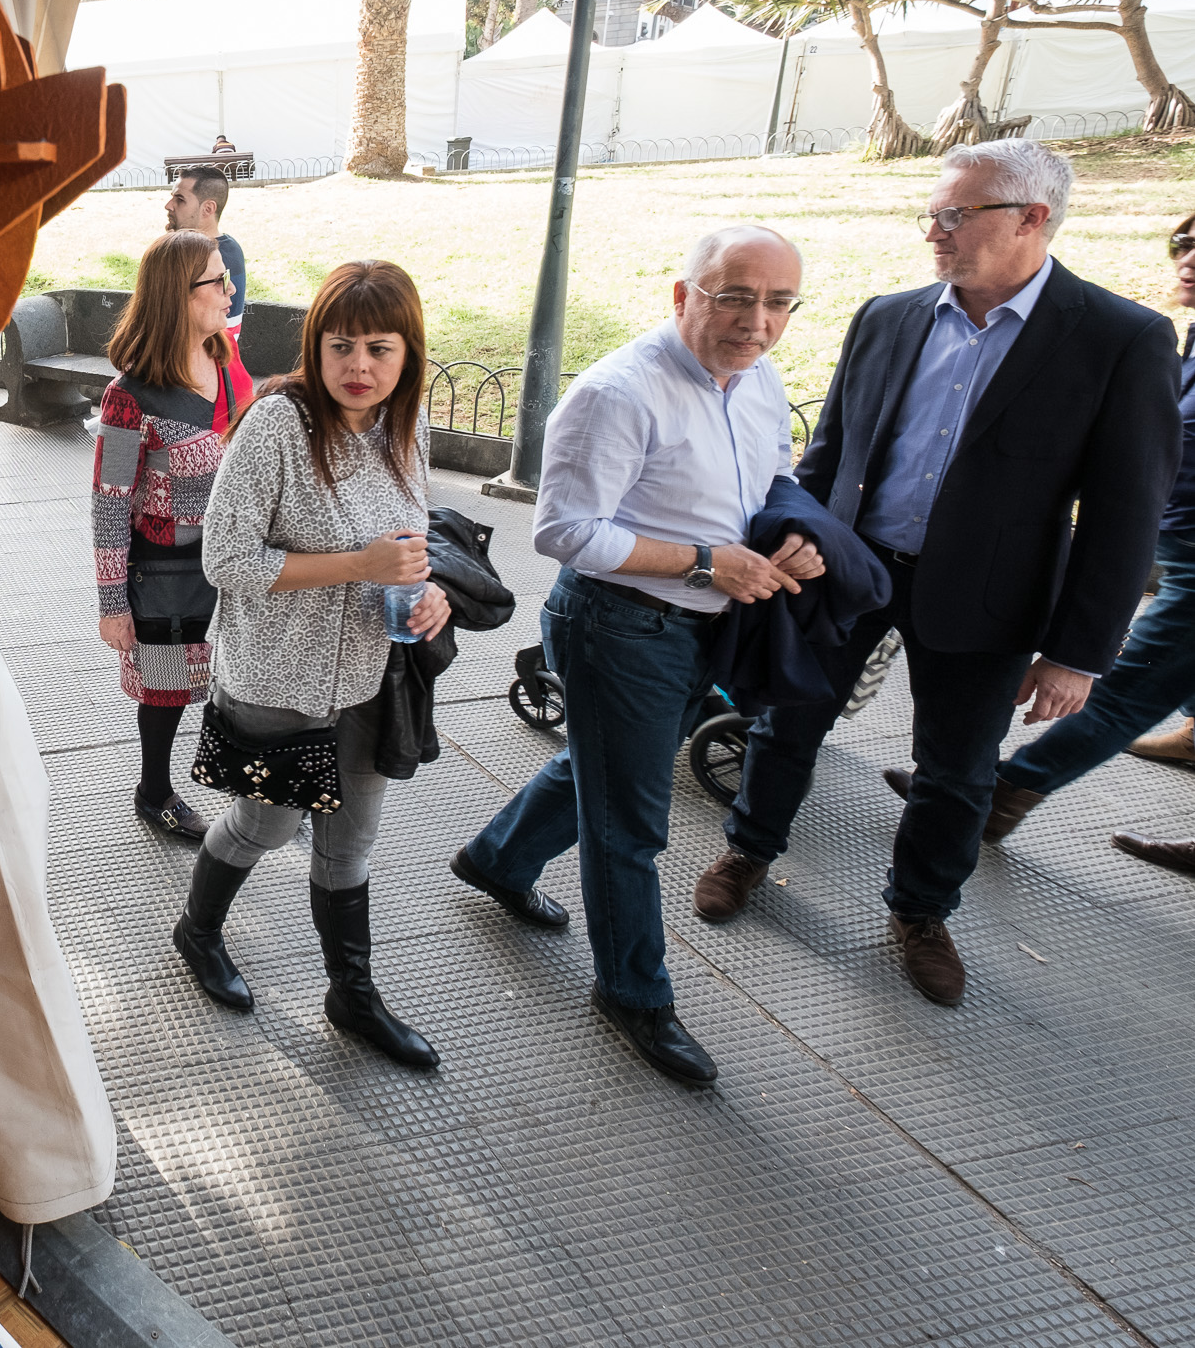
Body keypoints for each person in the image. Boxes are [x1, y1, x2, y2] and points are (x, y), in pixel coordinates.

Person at [700, 141, 1180, 1003]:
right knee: (785, 723)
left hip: (989, 598)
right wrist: (789, 540)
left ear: (1032, 218)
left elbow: (1124, 511)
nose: (934, 230)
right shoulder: (889, 315)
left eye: (956, 215)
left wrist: (1077, 653)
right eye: (933, 212)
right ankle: (748, 849)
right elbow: (829, 456)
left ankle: (921, 912)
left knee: (957, 770)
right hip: (843, 570)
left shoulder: (1120, 338)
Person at [454, 226, 816, 1086]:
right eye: (734, 296)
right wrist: (703, 561)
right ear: (684, 295)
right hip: (622, 626)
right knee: (631, 824)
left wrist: (798, 529)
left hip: (707, 624)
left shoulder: (757, 376)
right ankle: (633, 993)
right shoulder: (618, 391)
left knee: (606, 768)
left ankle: (497, 858)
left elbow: (775, 472)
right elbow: (564, 531)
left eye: (778, 303)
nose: (756, 322)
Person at [171, 260, 451, 1069]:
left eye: (379, 348)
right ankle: (197, 930)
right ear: (315, 347)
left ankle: (351, 995)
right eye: (341, 346)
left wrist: (429, 594)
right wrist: (357, 565)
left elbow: (408, 543)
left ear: (409, 354)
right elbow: (224, 558)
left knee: (351, 843)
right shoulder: (275, 427)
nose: (359, 367)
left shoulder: (408, 424)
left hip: (370, 672)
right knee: (269, 820)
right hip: (274, 676)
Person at [883, 210, 1195, 878]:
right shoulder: (1183, 336)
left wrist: (1075, 650)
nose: (1188, 258)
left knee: (1132, 684)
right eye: (1185, 241)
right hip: (1180, 540)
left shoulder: (1130, 336)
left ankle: (1007, 789)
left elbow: (1130, 493)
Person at [93, 231, 256, 839]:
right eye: (217, 280)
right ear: (178, 296)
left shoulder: (226, 363)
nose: (230, 289)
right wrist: (113, 606)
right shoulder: (127, 399)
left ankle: (256, 795)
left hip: (236, 564)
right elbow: (109, 505)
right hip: (165, 571)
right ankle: (153, 790)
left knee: (237, 683)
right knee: (163, 692)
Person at [163, 167, 250, 355]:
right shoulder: (231, 247)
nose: (169, 205)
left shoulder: (208, 259)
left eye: (180, 199)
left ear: (208, 209)